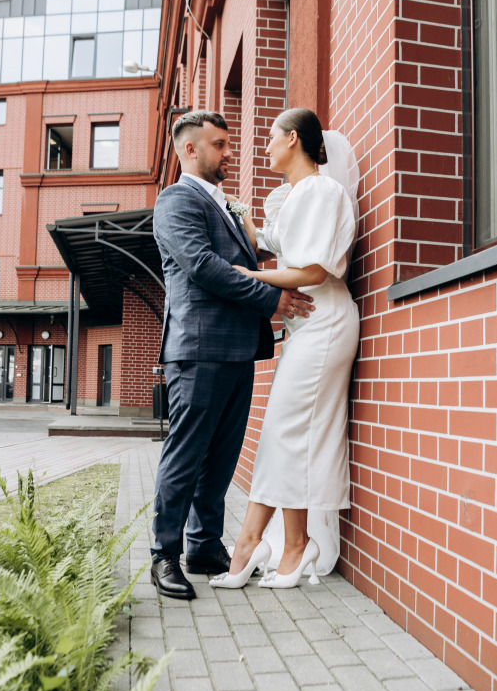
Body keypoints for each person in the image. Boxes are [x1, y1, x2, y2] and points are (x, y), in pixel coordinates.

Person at [150, 111, 315, 600]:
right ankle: (164, 554)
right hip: (198, 349)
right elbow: (203, 266)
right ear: (190, 151)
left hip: (237, 350)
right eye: (219, 145)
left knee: (220, 460)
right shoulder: (175, 200)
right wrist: (271, 300)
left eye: (227, 143)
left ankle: (202, 546)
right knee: (185, 455)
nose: (228, 152)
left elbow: (243, 259)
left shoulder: (224, 204)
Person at [210, 107, 360, 590]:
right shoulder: (298, 195)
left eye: (272, 138)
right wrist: (241, 219)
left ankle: (271, 544)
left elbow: (313, 270)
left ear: (293, 139)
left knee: (284, 430)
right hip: (305, 324)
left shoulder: (322, 190)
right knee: (285, 433)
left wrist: (247, 276)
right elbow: (275, 241)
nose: (266, 146)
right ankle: (280, 544)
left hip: (325, 322)